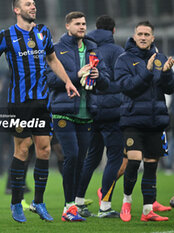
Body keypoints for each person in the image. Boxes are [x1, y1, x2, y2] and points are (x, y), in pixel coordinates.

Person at [0, 0, 79, 223]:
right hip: (19, 103)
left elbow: (52, 59)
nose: (33, 6)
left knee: (44, 149)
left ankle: (38, 202)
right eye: (27, 3)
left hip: (42, 101)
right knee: (22, 149)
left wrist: (68, 82)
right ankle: (15, 202)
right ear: (16, 9)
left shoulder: (43, 32)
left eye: (33, 3)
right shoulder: (6, 36)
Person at [47, 11, 109, 222]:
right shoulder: (56, 49)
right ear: (67, 26)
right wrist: (76, 75)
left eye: (84, 23)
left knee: (80, 160)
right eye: (77, 24)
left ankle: (72, 205)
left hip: (87, 112)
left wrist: (98, 76)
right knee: (71, 155)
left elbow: (107, 81)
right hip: (64, 112)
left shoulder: (93, 49)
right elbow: (50, 80)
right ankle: (68, 207)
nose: (82, 27)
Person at [114, 20, 174, 222]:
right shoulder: (123, 59)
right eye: (139, 34)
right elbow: (128, 87)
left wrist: (166, 74)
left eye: (146, 34)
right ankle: (126, 202)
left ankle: (148, 210)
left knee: (151, 164)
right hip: (132, 119)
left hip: (155, 120)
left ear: (152, 38)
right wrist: (147, 71)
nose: (142, 37)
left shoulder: (161, 58)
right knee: (134, 160)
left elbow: (169, 89)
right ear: (134, 35)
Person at [74, 15, 124, 218]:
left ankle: (77, 203)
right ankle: (105, 206)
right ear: (113, 31)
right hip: (113, 111)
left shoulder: (87, 48)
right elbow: (121, 82)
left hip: (92, 110)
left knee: (91, 158)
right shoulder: (118, 52)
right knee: (114, 158)